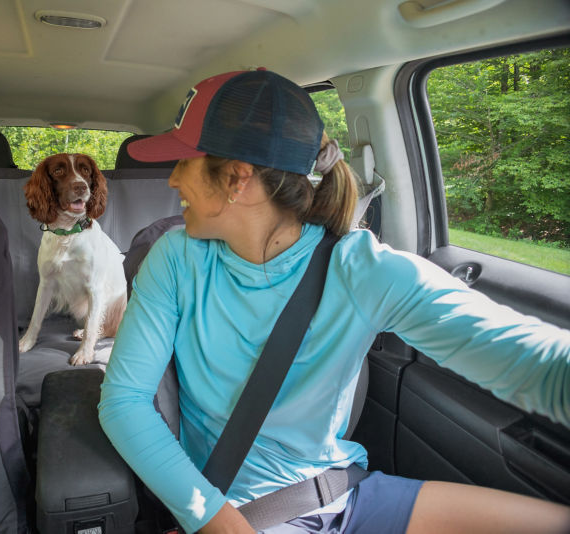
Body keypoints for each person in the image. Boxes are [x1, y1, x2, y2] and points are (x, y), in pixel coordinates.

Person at [97, 69, 570, 533]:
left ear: (237, 179)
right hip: (240, 510)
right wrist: (215, 521)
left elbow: (541, 365)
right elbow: (125, 401)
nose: (172, 180)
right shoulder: (176, 258)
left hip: (348, 492)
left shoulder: (362, 269)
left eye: (185, 162)